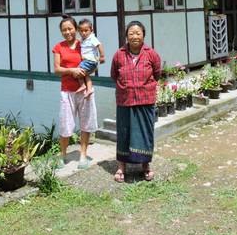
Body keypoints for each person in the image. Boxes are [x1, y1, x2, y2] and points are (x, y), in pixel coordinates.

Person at [110, 20, 162, 182]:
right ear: (126, 36)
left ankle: (145, 166)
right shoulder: (119, 54)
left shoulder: (151, 54)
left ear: (143, 35)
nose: (135, 36)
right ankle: (121, 167)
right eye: (131, 33)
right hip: (125, 102)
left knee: (145, 134)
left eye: (138, 33)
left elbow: (157, 73)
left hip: (145, 100)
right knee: (124, 133)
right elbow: (114, 75)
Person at [52, 15, 98, 169]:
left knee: (86, 123)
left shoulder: (84, 44)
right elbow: (57, 69)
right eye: (64, 30)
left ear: (76, 30)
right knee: (65, 125)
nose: (67, 32)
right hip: (67, 91)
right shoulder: (59, 47)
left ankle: (83, 155)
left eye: (70, 28)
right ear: (61, 31)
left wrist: (86, 71)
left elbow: (94, 62)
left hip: (85, 91)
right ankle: (63, 154)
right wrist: (72, 70)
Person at [75, 19, 105, 98]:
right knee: (86, 75)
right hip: (88, 61)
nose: (83, 33)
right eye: (81, 31)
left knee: (78, 71)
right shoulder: (83, 39)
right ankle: (89, 89)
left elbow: (99, 45)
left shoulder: (92, 38)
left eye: (86, 30)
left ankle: (82, 85)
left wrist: (102, 56)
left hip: (90, 61)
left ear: (91, 30)